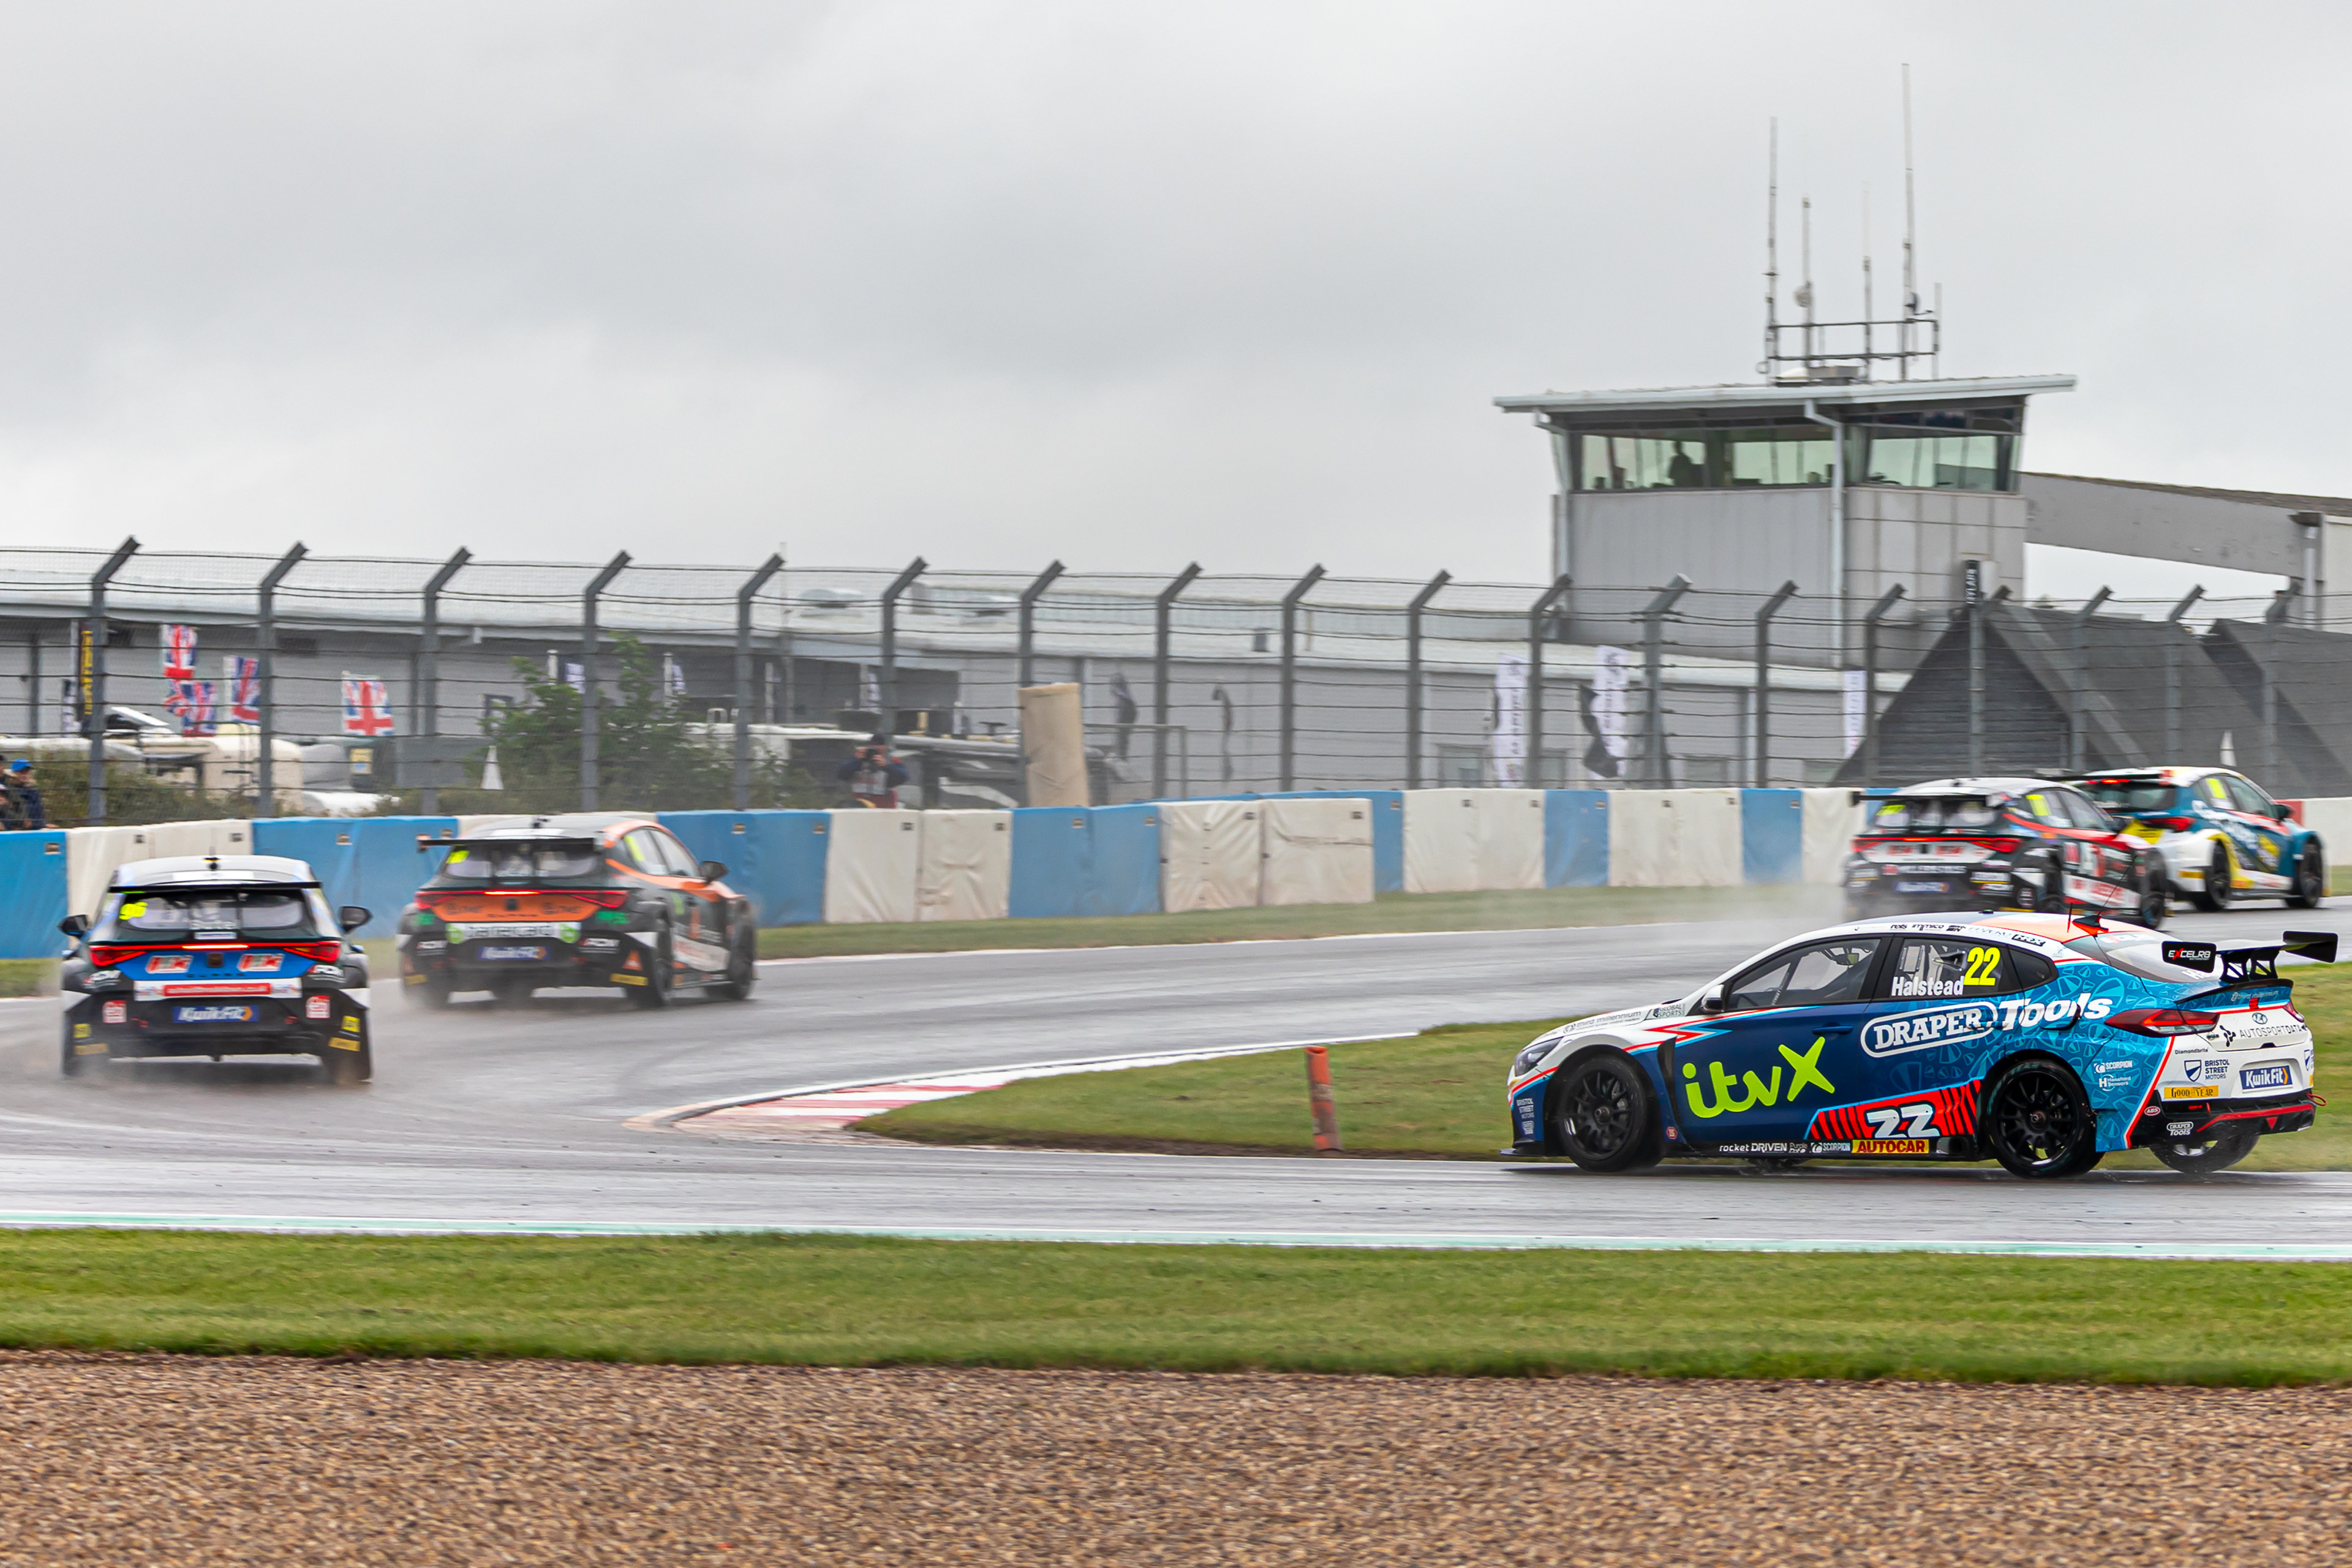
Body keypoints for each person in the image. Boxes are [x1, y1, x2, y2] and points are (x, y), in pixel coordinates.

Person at [835, 734, 909, 809]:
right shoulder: (859, 761)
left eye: (879, 749)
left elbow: (903, 777)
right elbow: (842, 775)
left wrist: (886, 767)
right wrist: (857, 760)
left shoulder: (892, 761)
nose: (875, 752)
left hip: (883, 806)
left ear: (885, 748)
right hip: (859, 804)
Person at [4, 760, 44, 830]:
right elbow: (7, 812)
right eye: (22, 772)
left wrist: (43, 824)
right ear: (14, 774)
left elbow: (39, 811)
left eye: (27, 772)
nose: (25, 775)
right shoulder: (7, 790)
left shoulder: (33, 790)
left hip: (36, 827)